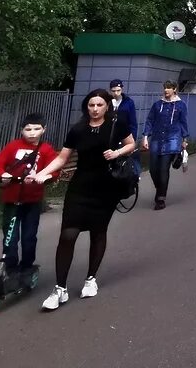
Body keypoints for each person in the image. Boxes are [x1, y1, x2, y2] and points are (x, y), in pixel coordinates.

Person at [31, 89, 135, 310]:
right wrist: (42, 173)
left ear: (107, 106)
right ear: (86, 107)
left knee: (98, 232)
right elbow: (63, 157)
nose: (95, 109)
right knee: (68, 234)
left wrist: (117, 154)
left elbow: (131, 144)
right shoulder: (77, 129)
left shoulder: (116, 124)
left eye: (99, 105)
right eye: (91, 105)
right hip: (80, 187)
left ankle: (91, 279)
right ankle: (60, 288)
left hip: (106, 187)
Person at [0, 112, 58, 276]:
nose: (32, 133)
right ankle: (10, 265)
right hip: (12, 198)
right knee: (10, 235)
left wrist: (45, 177)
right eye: (28, 129)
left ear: (44, 130)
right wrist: (2, 175)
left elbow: (54, 170)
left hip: (32, 200)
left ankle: (27, 265)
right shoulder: (13, 146)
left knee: (29, 236)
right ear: (22, 130)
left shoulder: (46, 149)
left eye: (36, 129)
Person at [141, 81, 189, 209]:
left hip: (172, 139)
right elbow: (150, 120)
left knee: (163, 169)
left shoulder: (181, 105)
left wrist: (184, 139)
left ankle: (160, 199)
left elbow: (183, 122)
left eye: (169, 88)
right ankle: (160, 188)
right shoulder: (157, 105)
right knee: (153, 169)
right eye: (165, 88)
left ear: (174, 89)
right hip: (156, 139)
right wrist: (145, 136)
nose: (166, 90)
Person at [109, 80, 141, 179]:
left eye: (118, 90)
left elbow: (133, 122)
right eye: (114, 91)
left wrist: (132, 139)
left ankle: (134, 175)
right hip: (110, 135)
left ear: (122, 89)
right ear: (110, 90)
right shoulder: (108, 102)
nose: (116, 93)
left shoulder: (128, 102)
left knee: (126, 159)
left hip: (125, 135)